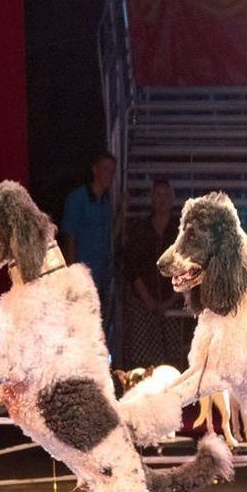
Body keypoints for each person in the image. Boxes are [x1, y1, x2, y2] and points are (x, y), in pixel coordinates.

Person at [121, 175, 186, 368]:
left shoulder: (181, 231)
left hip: (174, 302)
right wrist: (148, 299)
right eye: (158, 195)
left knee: (173, 358)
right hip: (143, 303)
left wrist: (171, 301)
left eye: (166, 195)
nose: (162, 199)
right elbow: (133, 268)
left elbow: (187, 267)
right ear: (152, 198)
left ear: (172, 198)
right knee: (144, 360)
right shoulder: (140, 229)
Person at [59, 152, 117, 335]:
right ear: (95, 170)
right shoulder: (78, 198)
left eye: (112, 171)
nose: (109, 175)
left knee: (97, 323)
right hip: (82, 273)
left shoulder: (106, 202)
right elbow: (70, 236)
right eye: (105, 169)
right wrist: (72, 273)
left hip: (101, 274)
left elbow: (108, 237)